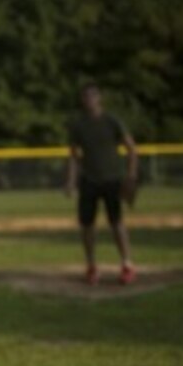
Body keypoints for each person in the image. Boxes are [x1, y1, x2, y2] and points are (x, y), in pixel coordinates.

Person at [66, 82, 139, 285]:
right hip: (89, 180)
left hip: (112, 179)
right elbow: (73, 155)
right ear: (82, 100)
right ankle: (91, 266)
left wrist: (131, 176)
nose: (89, 100)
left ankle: (127, 264)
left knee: (116, 222)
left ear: (99, 98)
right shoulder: (78, 125)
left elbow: (131, 148)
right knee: (87, 225)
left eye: (93, 96)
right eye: (85, 96)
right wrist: (71, 181)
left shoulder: (112, 121)